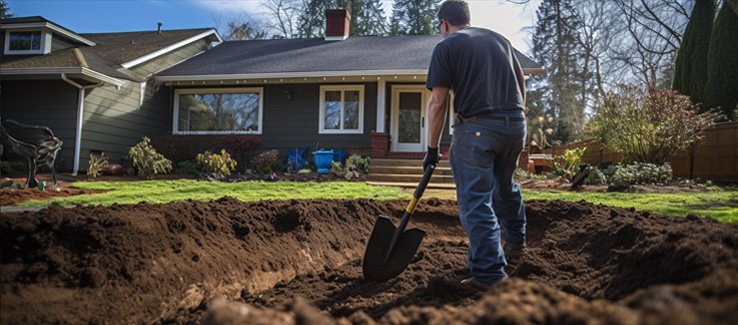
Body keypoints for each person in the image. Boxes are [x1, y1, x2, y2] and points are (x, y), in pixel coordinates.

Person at [423, 0, 528, 289]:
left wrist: (432, 150)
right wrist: (519, 115)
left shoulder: (446, 47)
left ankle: (489, 275)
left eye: (439, 27)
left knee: (475, 201)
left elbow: (437, 103)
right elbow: (521, 82)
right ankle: (517, 247)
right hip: (515, 125)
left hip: (478, 129)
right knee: (505, 187)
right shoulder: (499, 40)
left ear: (444, 23)